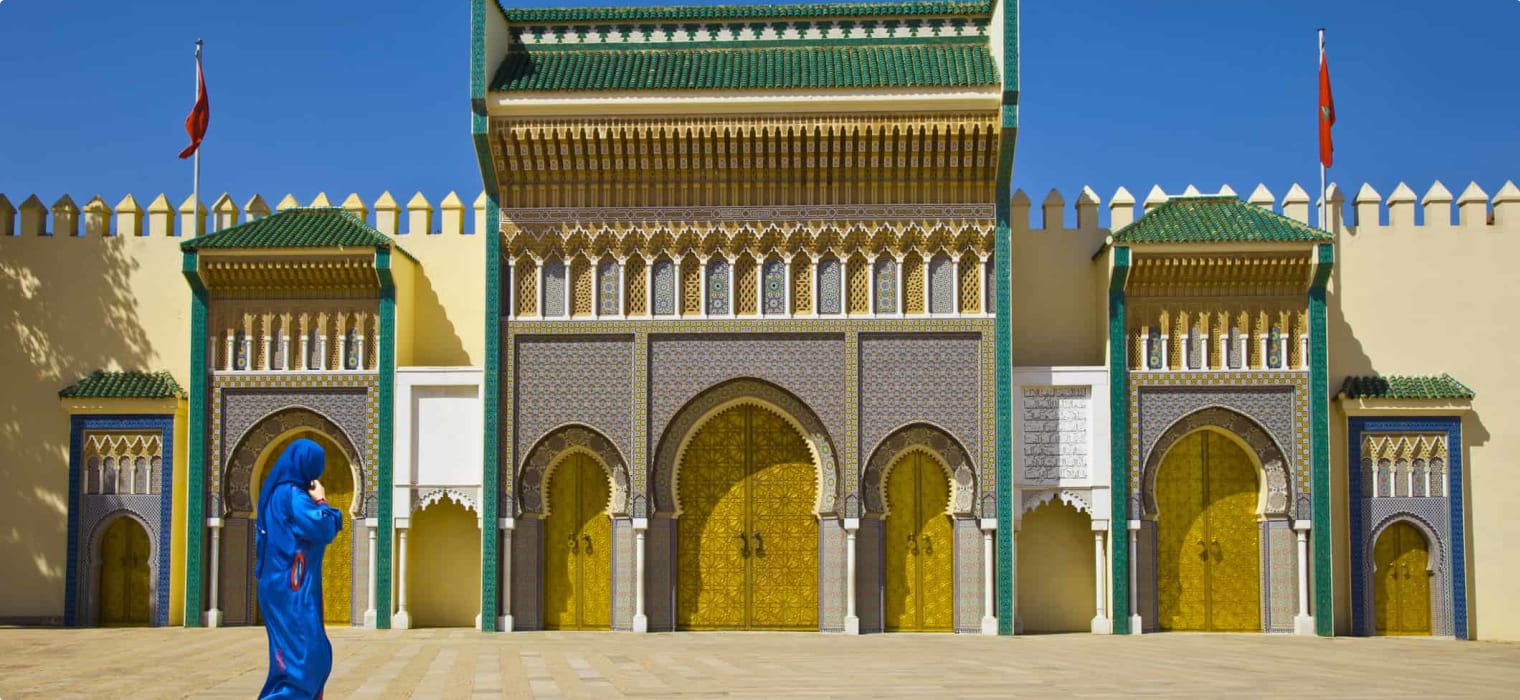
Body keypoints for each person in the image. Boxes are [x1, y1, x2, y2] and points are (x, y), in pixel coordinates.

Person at [254, 438, 343, 699]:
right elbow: (323, 527)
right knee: (307, 658)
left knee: (293, 658)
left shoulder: (276, 495)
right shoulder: (293, 497)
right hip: (291, 589)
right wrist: (323, 501)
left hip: (281, 587)